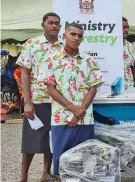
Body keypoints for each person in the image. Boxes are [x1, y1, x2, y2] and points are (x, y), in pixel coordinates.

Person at [37, 22, 104, 181]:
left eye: (80, 36)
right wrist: (73, 108)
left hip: (85, 119)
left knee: (86, 161)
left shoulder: (89, 61)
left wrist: (80, 111)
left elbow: (93, 88)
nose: (76, 38)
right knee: (62, 161)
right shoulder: (51, 59)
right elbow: (50, 89)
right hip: (61, 119)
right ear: (64, 35)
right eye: (72, 34)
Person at [15, 12, 64, 182]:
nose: (54, 26)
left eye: (57, 23)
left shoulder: (64, 45)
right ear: (43, 25)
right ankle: (23, 177)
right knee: (30, 141)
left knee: (52, 139)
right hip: (37, 99)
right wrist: (27, 102)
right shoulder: (32, 44)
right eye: (50, 23)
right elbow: (24, 73)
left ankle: (45, 172)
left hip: (59, 101)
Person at [122, 16, 135, 90]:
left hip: (129, 87)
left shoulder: (131, 46)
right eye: (124, 27)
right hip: (112, 89)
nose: (126, 30)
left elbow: (134, 68)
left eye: (127, 27)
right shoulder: (110, 46)